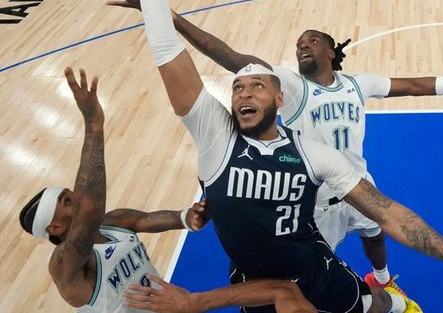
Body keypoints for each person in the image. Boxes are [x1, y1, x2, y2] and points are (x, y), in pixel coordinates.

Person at [109, 0, 443, 313]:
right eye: (237, 88)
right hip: (264, 281)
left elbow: (391, 213)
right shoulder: (215, 137)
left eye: (257, 85)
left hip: (321, 261)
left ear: (278, 95)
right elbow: (167, 50)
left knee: (379, 297)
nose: (244, 90)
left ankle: (393, 299)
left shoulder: (315, 151)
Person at [18, 67, 315, 313]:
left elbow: (144, 220)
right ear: (55, 226)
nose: (76, 196)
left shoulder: (111, 222)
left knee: (285, 292)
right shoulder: (64, 266)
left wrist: (188, 216)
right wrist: (94, 125)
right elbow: (89, 208)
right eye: (68, 201)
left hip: (172, 306)